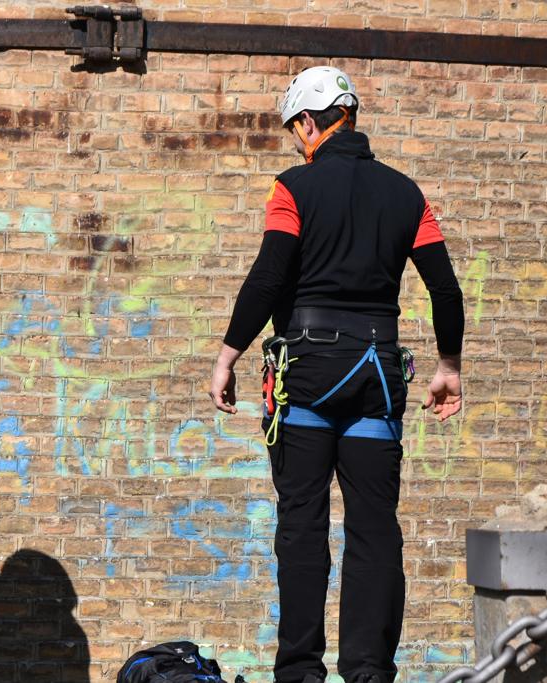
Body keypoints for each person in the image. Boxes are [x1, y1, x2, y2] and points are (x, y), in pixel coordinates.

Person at [208, 66, 464, 683]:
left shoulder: (292, 188)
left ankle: (300, 672)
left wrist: (227, 356)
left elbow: (270, 276)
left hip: (308, 375)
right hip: (377, 377)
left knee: (302, 526)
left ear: (307, 122)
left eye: (294, 129)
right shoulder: (407, 195)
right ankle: (369, 672)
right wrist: (449, 366)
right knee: (374, 530)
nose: (296, 141)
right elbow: (445, 289)